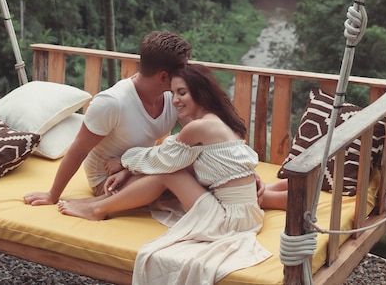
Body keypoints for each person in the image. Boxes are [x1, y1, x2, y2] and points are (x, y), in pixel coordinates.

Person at [57, 63, 273, 285]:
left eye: (182, 93)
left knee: (168, 173)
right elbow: (178, 159)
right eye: (173, 93)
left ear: (201, 92)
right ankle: (102, 201)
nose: (175, 100)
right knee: (173, 168)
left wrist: (123, 161)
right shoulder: (217, 121)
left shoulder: (198, 128)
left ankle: (98, 208)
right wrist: (127, 169)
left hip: (228, 221)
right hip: (246, 215)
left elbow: (161, 158)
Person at [23, 30, 192, 205]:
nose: (186, 74)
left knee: (192, 168)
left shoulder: (173, 97)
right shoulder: (113, 102)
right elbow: (79, 149)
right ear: (164, 76)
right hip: (108, 179)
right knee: (172, 178)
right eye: (183, 70)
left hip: (139, 167)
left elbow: (195, 134)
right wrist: (52, 195)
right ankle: (94, 207)